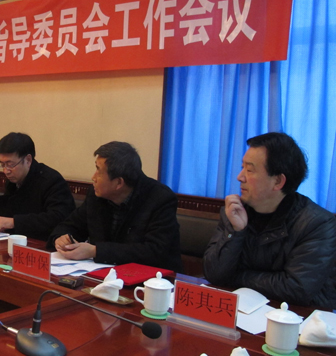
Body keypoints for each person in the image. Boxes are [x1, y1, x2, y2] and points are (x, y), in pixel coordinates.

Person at [204, 132, 336, 309]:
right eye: (242, 167)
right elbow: (214, 273)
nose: (240, 177)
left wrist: (235, 276)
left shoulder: (317, 224)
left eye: (249, 170)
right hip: (242, 310)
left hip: (298, 317)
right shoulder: (236, 211)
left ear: (278, 181)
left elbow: (296, 288)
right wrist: (235, 232)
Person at [50, 141, 182, 271]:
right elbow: (70, 225)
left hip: (154, 278)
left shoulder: (160, 198)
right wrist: (61, 238)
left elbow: (153, 251)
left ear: (119, 183)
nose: (93, 177)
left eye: (98, 171)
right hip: (105, 274)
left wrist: (96, 251)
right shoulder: (96, 195)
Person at [0, 132, 75, 241]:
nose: (6, 171)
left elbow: (58, 218)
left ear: (28, 160)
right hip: (15, 241)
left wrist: (15, 222)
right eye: (2, 164)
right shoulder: (13, 180)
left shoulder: (51, 180)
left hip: (43, 244)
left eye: (10, 164)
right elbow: (3, 211)